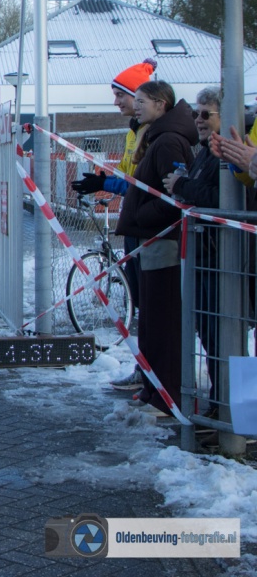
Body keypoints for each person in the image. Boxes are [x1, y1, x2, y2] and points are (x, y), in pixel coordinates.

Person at [71, 58, 156, 393]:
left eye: (121, 95)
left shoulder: (152, 133)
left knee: (151, 305)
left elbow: (144, 183)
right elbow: (130, 177)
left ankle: (155, 377)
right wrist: (106, 182)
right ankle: (145, 371)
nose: (116, 102)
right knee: (141, 303)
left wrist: (110, 184)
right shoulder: (134, 131)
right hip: (135, 223)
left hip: (148, 227)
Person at [115, 80, 195, 416]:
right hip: (151, 240)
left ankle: (167, 396)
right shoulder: (155, 137)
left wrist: (142, 216)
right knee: (149, 320)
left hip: (164, 243)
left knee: (163, 322)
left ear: (161, 104)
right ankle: (153, 389)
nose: (135, 106)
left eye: (141, 101)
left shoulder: (168, 142)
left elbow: (175, 197)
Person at [163, 87, 221, 420]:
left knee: (220, 334)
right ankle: (219, 403)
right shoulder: (205, 151)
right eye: (196, 113)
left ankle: (225, 408)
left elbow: (221, 197)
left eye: (205, 114)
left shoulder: (224, 152)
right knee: (209, 334)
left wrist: (182, 185)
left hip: (221, 259)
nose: (198, 120)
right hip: (205, 257)